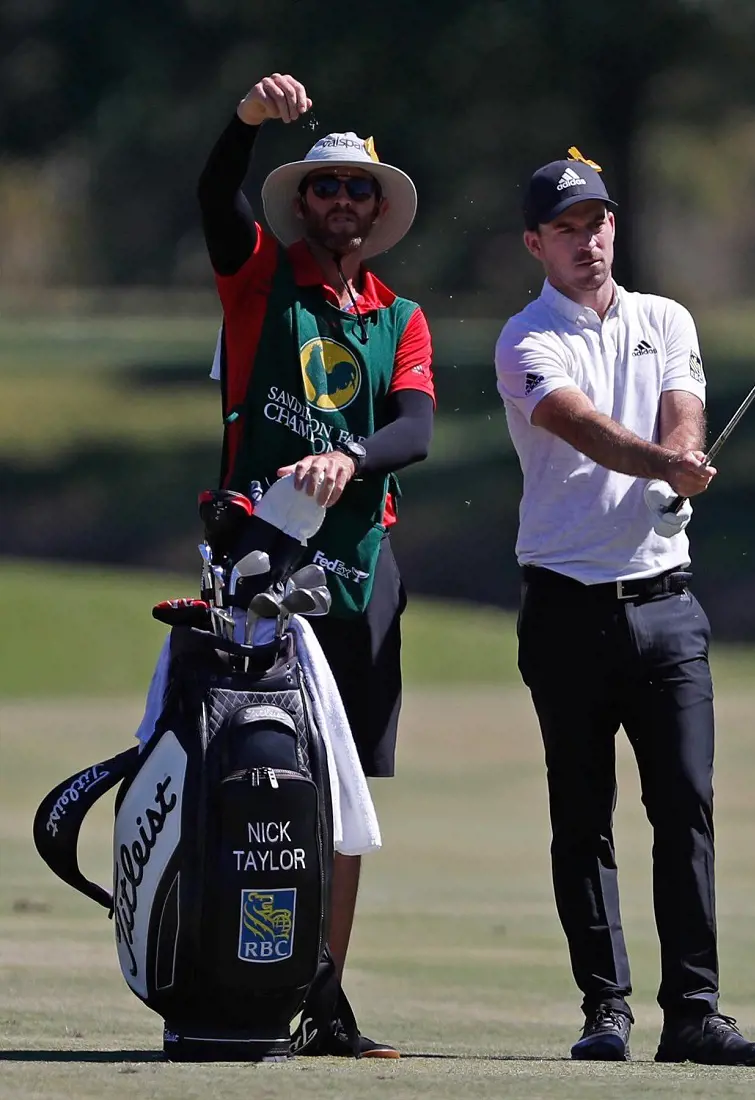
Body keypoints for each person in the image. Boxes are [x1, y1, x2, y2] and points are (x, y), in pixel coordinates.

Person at [494, 151, 755, 1067]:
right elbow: (574, 421)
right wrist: (663, 465)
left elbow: (680, 409)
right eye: (567, 229)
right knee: (583, 814)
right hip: (567, 606)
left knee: (685, 806)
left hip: (668, 606)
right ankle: (604, 1010)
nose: (589, 241)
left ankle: (692, 1010)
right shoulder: (527, 338)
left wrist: (680, 454)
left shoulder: (666, 319)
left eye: (598, 222)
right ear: (536, 243)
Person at [197, 72, 436, 1057]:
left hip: (359, 564)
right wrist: (245, 124)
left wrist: (353, 455)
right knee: (248, 772)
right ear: (303, 202)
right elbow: (216, 198)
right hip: (262, 553)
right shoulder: (259, 275)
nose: (342, 202)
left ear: (377, 211)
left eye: (358, 191)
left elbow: (414, 427)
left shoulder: (399, 314)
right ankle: (231, 984)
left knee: (343, 792)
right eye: (326, 188)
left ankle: (323, 996)